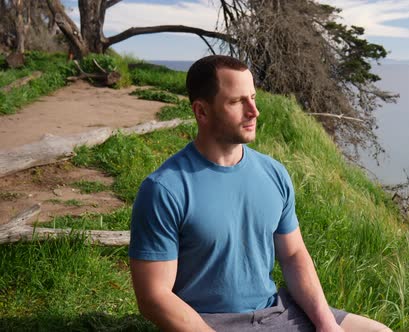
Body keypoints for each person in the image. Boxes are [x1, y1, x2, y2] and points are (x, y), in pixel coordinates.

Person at [129, 55, 391, 332]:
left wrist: (327, 324)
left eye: (252, 98)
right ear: (201, 112)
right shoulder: (165, 189)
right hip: (210, 322)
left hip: (275, 312)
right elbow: (154, 297)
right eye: (236, 101)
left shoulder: (273, 173)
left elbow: (293, 256)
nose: (254, 111)